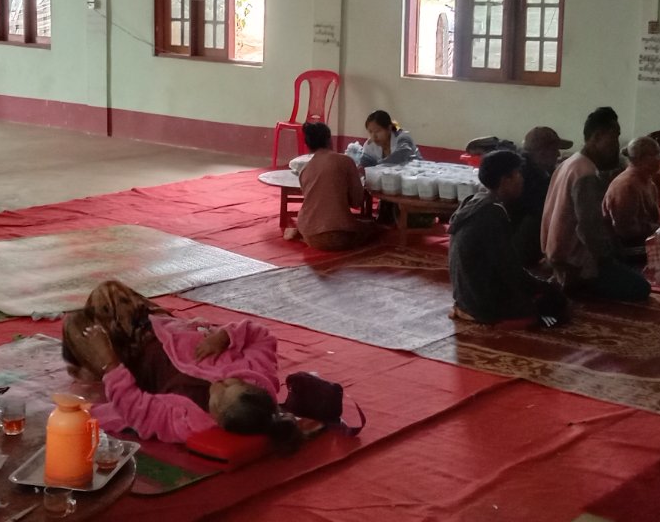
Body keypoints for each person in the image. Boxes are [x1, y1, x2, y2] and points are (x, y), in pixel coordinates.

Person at [63, 281, 301, 451]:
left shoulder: (186, 423)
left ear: (217, 418)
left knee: (76, 322)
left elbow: (137, 410)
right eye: (233, 382)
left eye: (220, 395)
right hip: (166, 327)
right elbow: (261, 336)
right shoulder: (259, 378)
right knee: (109, 291)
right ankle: (86, 361)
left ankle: (88, 365)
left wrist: (109, 364)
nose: (220, 383)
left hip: (131, 356)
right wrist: (224, 337)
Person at [540, 108, 652, 302]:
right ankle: (579, 284)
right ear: (597, 137)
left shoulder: (569, 163)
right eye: (614, 138)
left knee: (628, 262)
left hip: (555, 255)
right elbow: (589, 228)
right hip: (575, 264)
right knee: (641, 287)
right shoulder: (586, 173)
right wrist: (608, 261)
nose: (617, 145)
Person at [449, 151, 570, 327]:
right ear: (505, 180)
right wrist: (545, 287)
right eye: (518, 174)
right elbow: (509, 270)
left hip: (464, 295)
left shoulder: (474, 200)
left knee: (542, 291)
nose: (522, 180)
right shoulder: (493, 213)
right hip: (481, 303)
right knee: (555, 303)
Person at [296, 122, 378, 251]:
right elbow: (357, 201)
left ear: (308, 146)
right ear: (329, 140)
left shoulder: (304, 169)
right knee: (375, 227)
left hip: (308, 234)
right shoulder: (346, 161)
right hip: (340, 235)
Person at [512, 127, 574, 264]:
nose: (558, 154)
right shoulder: (528, 178)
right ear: (541, 152)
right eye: (555, 150)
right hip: (522, 253)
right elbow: (548, 210)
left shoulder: (526, 168)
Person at [604, 137, 660, 255]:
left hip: (642, 242)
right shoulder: (626, 185)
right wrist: (659, 229)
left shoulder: (648, 183)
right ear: (640, 158)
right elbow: (626, 231)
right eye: (655, 155)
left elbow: (653, 219)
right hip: (625, 250)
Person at [351, 110, 421, 167]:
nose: (374, 136)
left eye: (377, 131)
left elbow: (399, 157)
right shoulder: (370, 144)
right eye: (370, 132)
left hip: (415, 176)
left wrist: (376, 165)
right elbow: (363, 165)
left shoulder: (403, 138)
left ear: (389, 128)